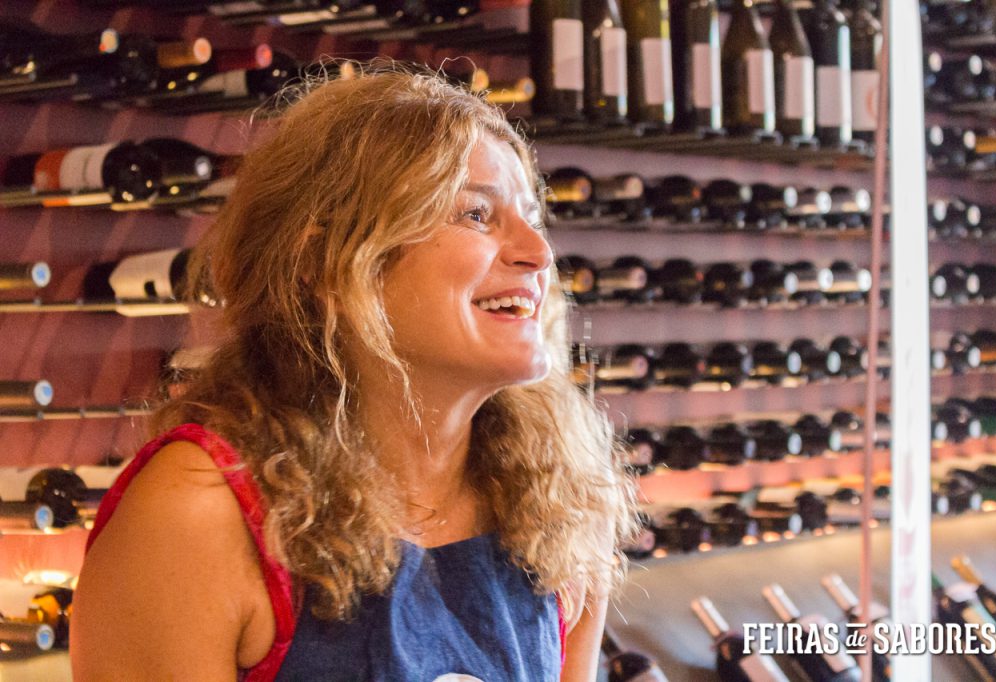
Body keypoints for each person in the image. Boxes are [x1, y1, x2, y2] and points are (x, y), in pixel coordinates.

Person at [70, 64, 638, 681]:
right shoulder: (198, 513)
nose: (539, 253)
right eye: (477, 214)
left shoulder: (560, 508)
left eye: (532, 217)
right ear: (325, 262)